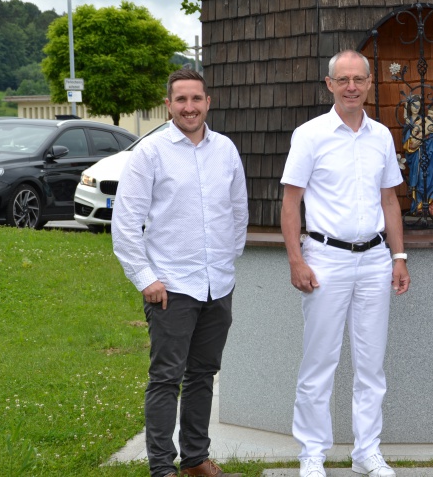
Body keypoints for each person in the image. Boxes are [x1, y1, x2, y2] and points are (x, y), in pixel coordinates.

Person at [112, 68, 249, 477]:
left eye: (197, 99)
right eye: (181, 100)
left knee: (203, 375)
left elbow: (237, 212)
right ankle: (161, 467)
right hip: (170, 287)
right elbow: (125, 222)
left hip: (217, 284)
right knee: (166, 378)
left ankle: (195, 458)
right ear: (169, 104)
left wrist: (226, 261)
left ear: (208, 102)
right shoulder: (150, 153)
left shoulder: (226, 150)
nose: (190, 107)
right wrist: (146, 279)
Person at [281, 50, 411, 477]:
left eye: (359, 79)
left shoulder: (381, 137)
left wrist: (399, 256)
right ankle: (312, 453)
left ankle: (366, 452)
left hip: (375, 261)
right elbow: (291, 201)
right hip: (325, 260)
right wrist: (296, 260)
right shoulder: (310, 135)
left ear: (370, 83)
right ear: (330, 84)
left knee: (371, 364)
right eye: (344, 79)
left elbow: (390, 199)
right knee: (320, 362)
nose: (352, 86)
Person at [403, 96, 433, 216]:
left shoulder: (425, 120)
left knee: (432, 176)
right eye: (413, 105)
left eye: (418, 105)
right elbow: (409, 143)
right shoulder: (414, 123)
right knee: (420, 178)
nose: (416, 108)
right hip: (418, 155)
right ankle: (420, 205)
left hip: (431, 154)